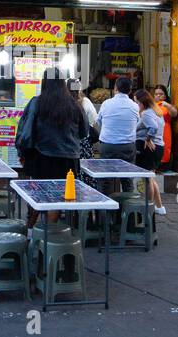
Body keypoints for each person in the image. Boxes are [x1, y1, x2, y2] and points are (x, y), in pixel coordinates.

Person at [15, 73, 89, 228]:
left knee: (38, 194)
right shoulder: (75, 105)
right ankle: (50, 234)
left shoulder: (37, 103)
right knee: (57, 198)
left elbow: (26, 131)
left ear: (44, 84)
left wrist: (22, 152)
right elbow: (84, 132)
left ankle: (33, 230)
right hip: (69, 161)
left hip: (42, 157)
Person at [134, 88, 166, 215]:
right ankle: (159, 207)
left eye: (136, 102)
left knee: (147, 180)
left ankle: (148, 208)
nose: (136, 105)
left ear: (142, 102)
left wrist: (148, 139)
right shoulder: (156, 111)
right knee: (151, 178)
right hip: (158, 147)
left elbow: (153, 127)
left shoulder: (146, 113)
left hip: (148, 148)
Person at [97, 76, 140, 168]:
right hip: (127, 146)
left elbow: (99, 122)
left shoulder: (106, 104)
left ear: (115, 88)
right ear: (130, 91)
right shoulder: (135, 106)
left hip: (108, 145)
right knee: (127, 175)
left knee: (106, 175)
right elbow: (137, 123)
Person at [152, 84, 178, 172]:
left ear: (165, 95)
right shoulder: (151, 106)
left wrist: (167, 105)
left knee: (165, 152)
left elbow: (174, 114)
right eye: (156, 94)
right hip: (153, 134)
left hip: (165, 133)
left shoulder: (167, 106)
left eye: (161, 94)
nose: (158, 96)